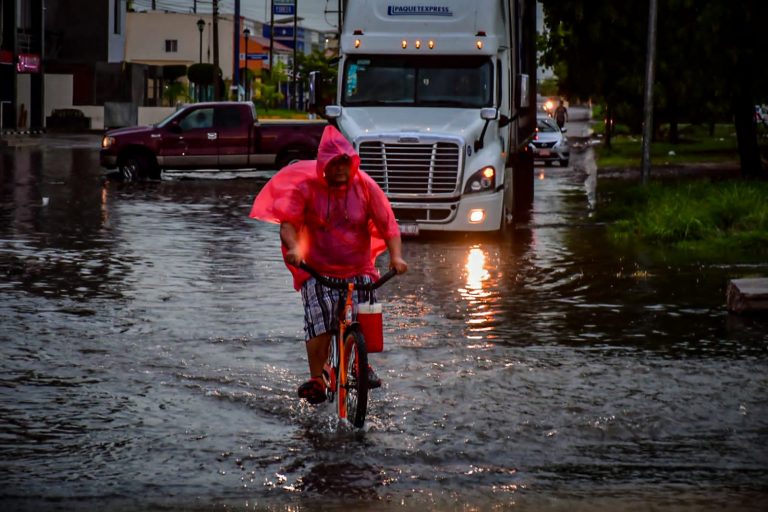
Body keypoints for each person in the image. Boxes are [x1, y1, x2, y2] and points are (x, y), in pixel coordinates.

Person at [249, 125, 408, 404]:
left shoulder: (366, 188)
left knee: (366, 315)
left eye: (344, 163)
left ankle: (361, 362)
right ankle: (317, 379)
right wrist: (296, 248)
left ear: (352, 163)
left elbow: (389, 226)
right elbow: (288, 226)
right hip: (318, 271)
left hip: (359, 270)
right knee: (320, 320)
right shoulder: (306, 189)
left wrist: (396, 257)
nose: (339, 169)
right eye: (334, 163)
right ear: (323, 164)